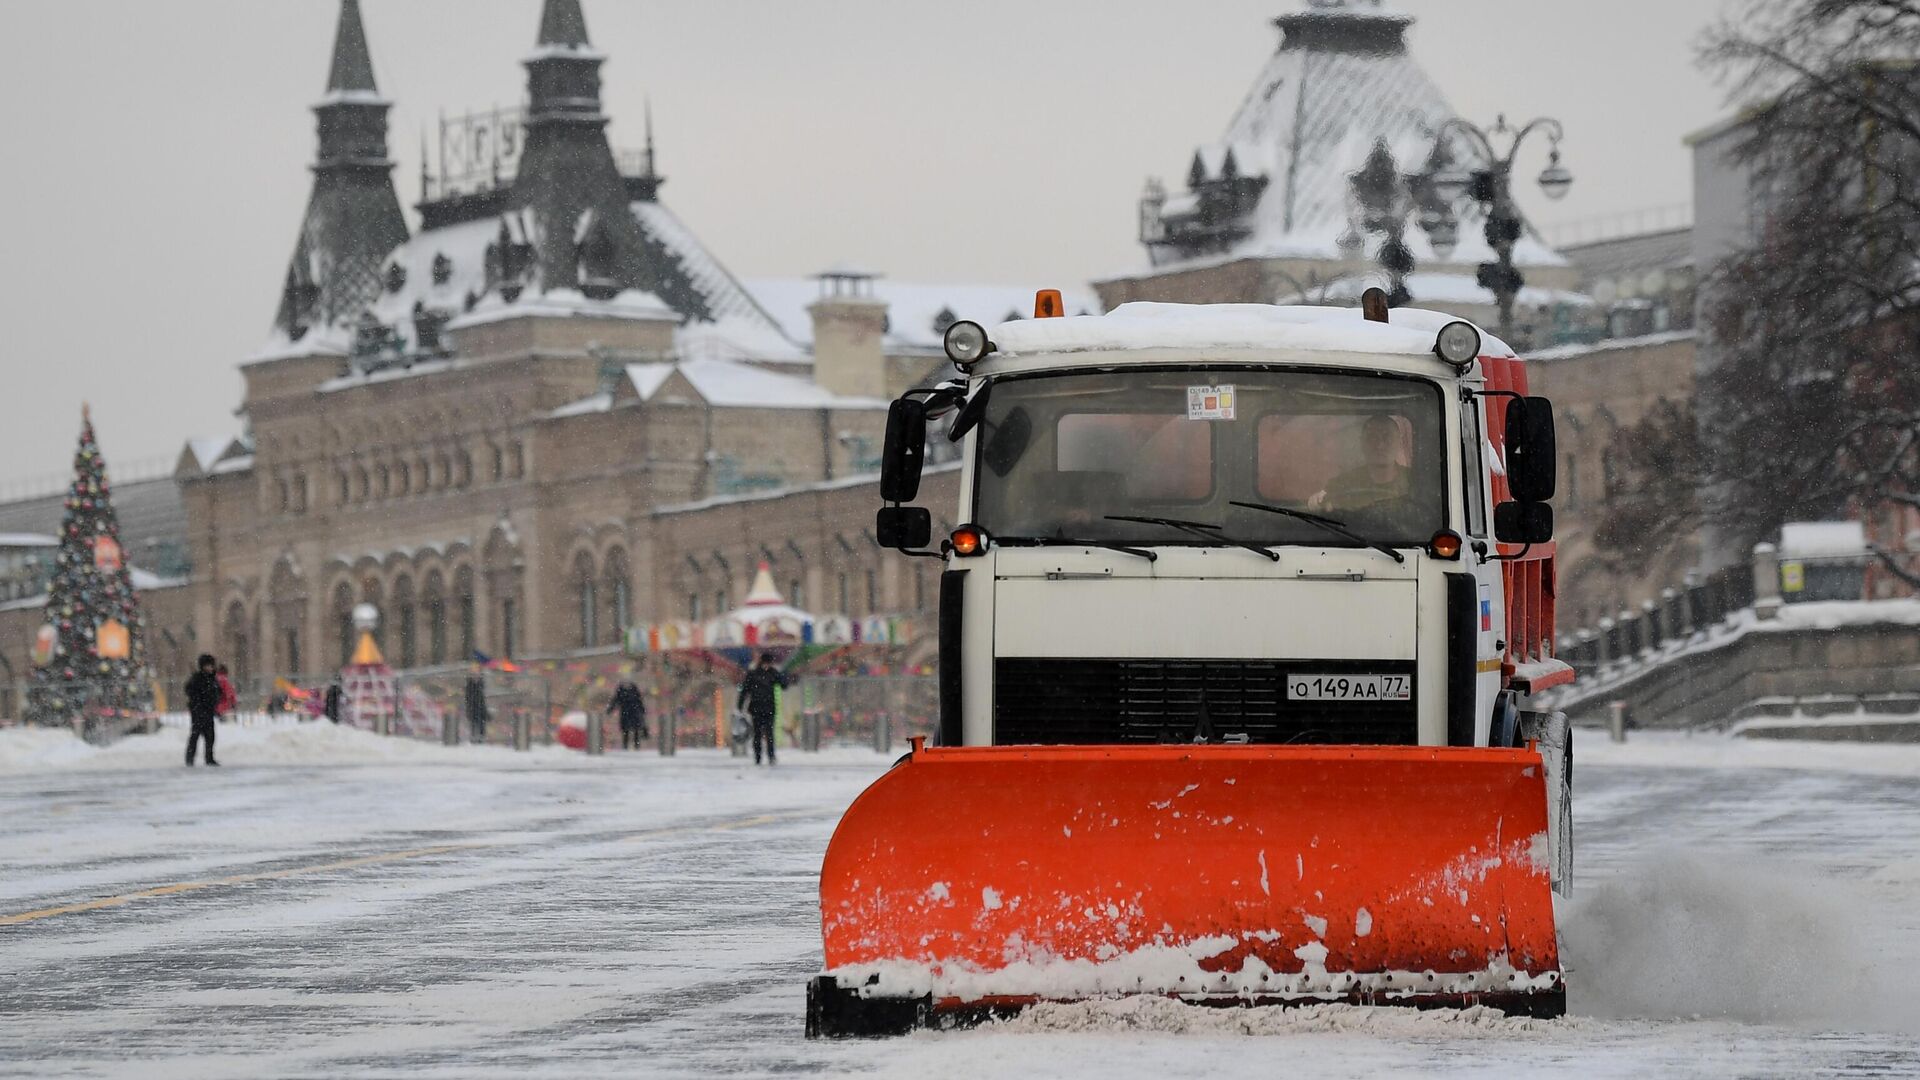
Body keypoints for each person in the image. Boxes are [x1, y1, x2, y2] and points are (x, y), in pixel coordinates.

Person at [1310, 415, 1413, 515]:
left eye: (1388, 437)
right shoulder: (1343, 483)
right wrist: (1315, 502)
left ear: (1399, 442)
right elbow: (1321, 502)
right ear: (1362, 443)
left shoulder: (1415, 481)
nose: (1380, 445)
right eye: (1372, 438)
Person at [736, 653, 790, 766]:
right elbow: (745, 690)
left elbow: (784, 685)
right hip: (759, 708)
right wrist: (740, 706)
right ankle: (759, 757)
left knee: (767, 734)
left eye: (768, 663)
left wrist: (782, 675)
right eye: (766, 663)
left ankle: (769, 756)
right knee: (758, 734)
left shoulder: (767, 673)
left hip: (765, 708)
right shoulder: (757, 674)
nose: (767, 665)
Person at [184, 654, 222, 767]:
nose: (210, 668)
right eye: (208, 666)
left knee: (210, 737)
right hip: (198, 712)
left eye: (211, 666)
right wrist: (198, 703)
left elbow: (217, 692)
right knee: (195, 737)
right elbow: (189, 690)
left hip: (209, 712)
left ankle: (209, 758)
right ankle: (190, 759)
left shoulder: (212, 679)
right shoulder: (197, 678)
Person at [607, 680, 649, 750]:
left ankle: (626, 745)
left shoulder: (621, 691)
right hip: (633, 712)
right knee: (634, 730)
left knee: (626, 730)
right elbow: (640, 702)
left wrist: (610, 710)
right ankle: (635, 745)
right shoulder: (634, 691)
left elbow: (615, 701)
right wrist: (642, 711)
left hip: (626, 712)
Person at [465, 669, 490, 744]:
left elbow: (481, 698)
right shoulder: (470, 685)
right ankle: (474, 738)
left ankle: (480, 739)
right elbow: (468, 697)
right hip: (473, 707)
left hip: (480, 708)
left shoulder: (480, 684)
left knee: (481, 724)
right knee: (474, 724)